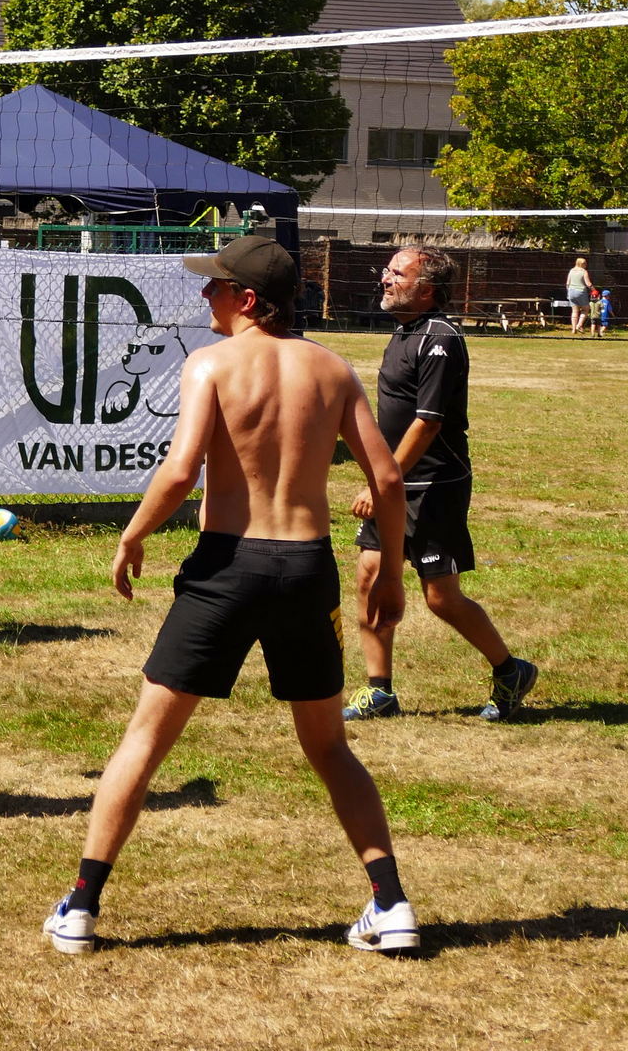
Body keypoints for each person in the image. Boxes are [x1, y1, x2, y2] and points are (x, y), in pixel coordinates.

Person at [42, 236, 418, 957]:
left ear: (248, 300)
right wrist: (392, 574)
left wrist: (132, 535)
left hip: (228, 566)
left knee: (145, 739)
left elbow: (181, 469)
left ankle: (80, 908)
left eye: (214, 286)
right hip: (306, 569)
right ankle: (392, 904)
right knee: (330, 748)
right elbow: (389, 480)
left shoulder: (210, 364)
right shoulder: (334, 369)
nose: (203, 295)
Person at [345, 245, 538, 723]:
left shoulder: (441, 338)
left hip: (434, 483)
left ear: (426, 289)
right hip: (396, 481)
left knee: (441, 598)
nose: (385, 279)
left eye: (397, 273)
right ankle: (379, 689)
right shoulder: (403, 332)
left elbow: (428, 422)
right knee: (369, 574)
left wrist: (383, 480)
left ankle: (510, 670)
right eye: (386, 270)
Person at [566, 257, 592, 335]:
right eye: (584, 263)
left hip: (571, 291)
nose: (586, 265)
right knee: (586, 309)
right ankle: (579, 325)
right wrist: (594, 290)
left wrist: (568, 292)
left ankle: (573, 329)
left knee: (574, 311)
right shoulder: (584, 271)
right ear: (581, 264)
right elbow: (588, 283)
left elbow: (567, 283)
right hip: (581, 291)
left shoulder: (571, 271)